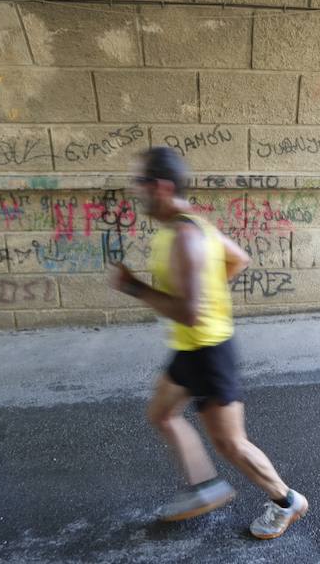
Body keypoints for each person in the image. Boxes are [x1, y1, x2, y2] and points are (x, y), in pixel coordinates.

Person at [109, 147, 308, 539]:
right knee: (162, 414)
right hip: (189, 348)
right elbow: (239, 259)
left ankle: (287, 501)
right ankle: (205, 487)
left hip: (209, 352)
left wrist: (134, 287)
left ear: (162, 187)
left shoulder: (186, 236)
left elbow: (190, 313)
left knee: (231, 444)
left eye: (141, 183)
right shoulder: (190, 227)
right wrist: (210, 290)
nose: (136, 192)